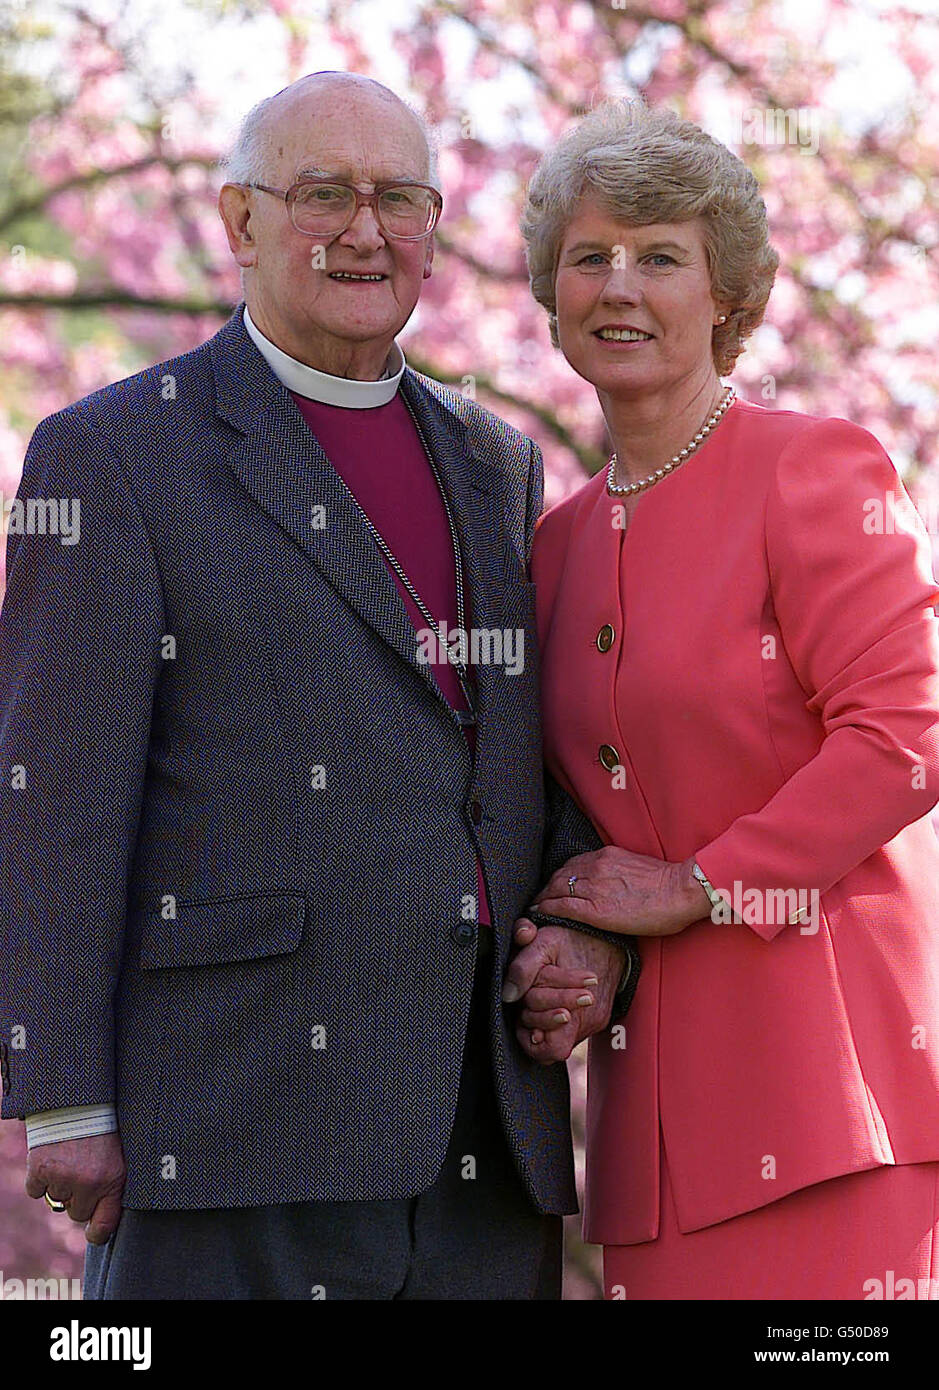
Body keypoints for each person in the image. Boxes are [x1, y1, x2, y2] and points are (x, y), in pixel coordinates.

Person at [0, 72, 636, 1301]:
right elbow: (52, 794)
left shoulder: (497, 461)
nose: (366, 229)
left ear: (436, 235)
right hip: (231, 1125)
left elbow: (527, 755)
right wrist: (62, 1091)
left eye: (400, 198)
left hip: (480, 1136)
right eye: (323, 194)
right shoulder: (115, 453)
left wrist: (589, 929)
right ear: (239, 222)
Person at [508, 97, 939, 1299]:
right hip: (649, 1147)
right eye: (589, 257)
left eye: (660, 256)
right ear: (553, 299)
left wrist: (697, 885)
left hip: (830, 1105)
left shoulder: (816, 468)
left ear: (728, 296)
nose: (619, 285)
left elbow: (909, 734)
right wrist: (582, 935)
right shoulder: (551, 548)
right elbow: (585, 814)